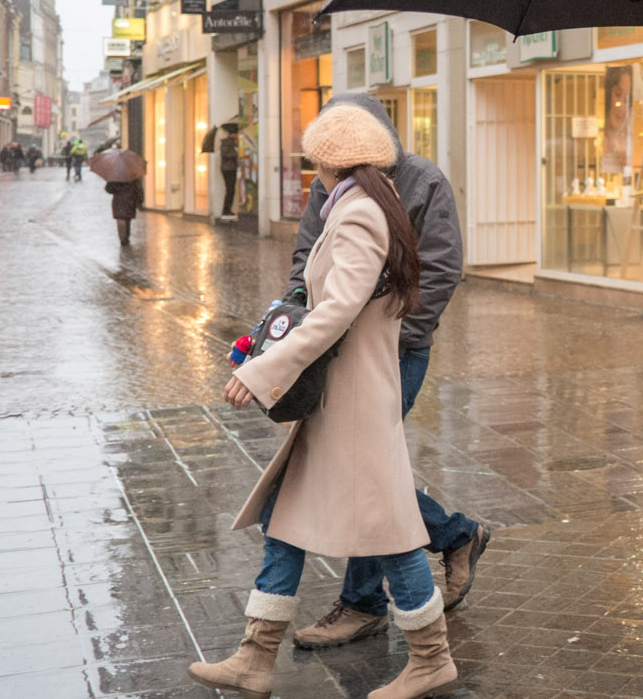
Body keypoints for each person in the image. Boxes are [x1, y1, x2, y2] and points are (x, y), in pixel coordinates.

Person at [191, 102, 459, 699]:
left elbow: (337, 310)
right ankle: (254, 658)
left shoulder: (360, 212)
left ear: (331, 163)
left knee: (389, 530)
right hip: (339, 395)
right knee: (284, 518)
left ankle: (431, 659)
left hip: (356, 399)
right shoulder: (362, 203)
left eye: (315, 162)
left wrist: (268, 367)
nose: (312, 173)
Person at [284, 93, 491, 652]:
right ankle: (454, 534)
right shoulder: (329, 183)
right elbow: (307, 257)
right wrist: (291, 318)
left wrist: (397, 334)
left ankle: (364, 605)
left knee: (365, 473)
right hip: (335, 352)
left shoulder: (421, 180)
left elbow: (442, 266)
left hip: (394, 352)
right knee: (363, 469)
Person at [105, 175, 142, 246]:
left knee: (121, 219)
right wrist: (140, 201)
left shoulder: (115, 176)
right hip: (130, 200)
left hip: (119, 201)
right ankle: (126, 238)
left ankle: (123, 239)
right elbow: (138, 189)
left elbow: (108, 189)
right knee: (127, 220)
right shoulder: (133, 176)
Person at [218, 122, 241, 220]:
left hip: (231, 168)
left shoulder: (234, 143)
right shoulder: (226, 143)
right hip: (228, 169)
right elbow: (226, 154)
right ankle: (226, 211)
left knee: (231, 190)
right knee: (230, 190)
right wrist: (236, 153)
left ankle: (227, 210)